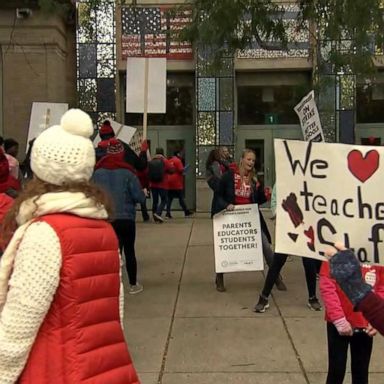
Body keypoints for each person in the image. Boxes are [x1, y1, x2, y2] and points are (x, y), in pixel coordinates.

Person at [0, 109, 140, 383]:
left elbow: (18, 327)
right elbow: (113, 314)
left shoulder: (44, 233)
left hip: (56, 369)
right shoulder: (103, 229)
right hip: (105, 368)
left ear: (41, 168)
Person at [213, 148, 286, 292]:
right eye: (248, 159)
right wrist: (226, 205)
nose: (251, 162)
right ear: (242, 159)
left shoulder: (254, 178)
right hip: (231, 218)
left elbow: (257, 199)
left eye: (253, 160)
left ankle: (276, 277)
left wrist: (266, 195)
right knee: (226, 249)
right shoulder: (228, 176)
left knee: (265, 246)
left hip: (251, 218)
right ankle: (219, 278)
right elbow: (218, 196)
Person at [254, 184, 321, 313]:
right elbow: (275, 199)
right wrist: (277, 215)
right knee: (277, 262)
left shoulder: (309, 180)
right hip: (287, 227)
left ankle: (312, 298)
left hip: (304, 227)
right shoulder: (284, 179)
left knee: (309, 262)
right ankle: (264, 297)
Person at [93, 138, 146, 294]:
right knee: (129, 250)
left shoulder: (97, 173)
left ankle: (110, 284)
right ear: (122, 154)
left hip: (106, 218)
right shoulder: (128, 173)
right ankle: (133, 284)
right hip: (126, 217)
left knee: (111, 252)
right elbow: (139, 197)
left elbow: (91, 194)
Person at [319, 257, 382, 384]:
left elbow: (382, 288)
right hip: (338, 324)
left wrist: (376, 318)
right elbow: (327, 284)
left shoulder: (377, 253)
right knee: (336, 370)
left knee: (361, 372)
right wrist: (338, 318)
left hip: (365, 323)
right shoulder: (336, 252)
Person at [327, 244, 384, 337]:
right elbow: (327, 285)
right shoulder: (338, 253)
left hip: (365, 321)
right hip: (344, 317)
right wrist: (338, 318)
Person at [149, 147, 173, 223]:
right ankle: (158, 213)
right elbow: (172, 169)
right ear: (163, 152)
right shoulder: (164, 160)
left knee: (155, 201)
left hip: (153, 184)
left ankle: (154, 216)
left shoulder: (151, 160)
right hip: (163, 184)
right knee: (164, 200)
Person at [166, 150, 193, 218]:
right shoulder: (178, 161)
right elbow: (181, 170)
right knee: (181, 198)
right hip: (177, 182)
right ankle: (186, 212)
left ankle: (167, 213)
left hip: (169, 181)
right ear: (178, 154)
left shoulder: (169, 160)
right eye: (181, 154)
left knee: (169, 198)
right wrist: (187, 167)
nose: (182, 155)